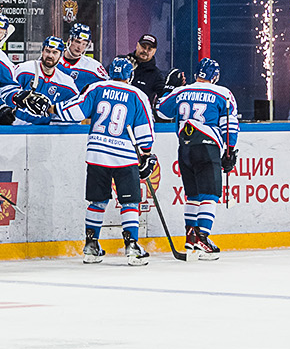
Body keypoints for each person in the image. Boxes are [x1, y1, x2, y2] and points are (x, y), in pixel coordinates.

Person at [55, 57, 155, 265]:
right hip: (124, 157)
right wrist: (146, 154)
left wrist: (51, 108)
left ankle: (91, 246)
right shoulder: (137, 94)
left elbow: (73, 112)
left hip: (96, 153)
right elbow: (145, 135)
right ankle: (132, 246)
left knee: (97, 201)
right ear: (130, 76)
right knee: (129, 202)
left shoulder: (96, 88)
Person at [156, 58, 240, 258]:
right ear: (215, 76)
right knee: (210, 195)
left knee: (192, 195)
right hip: (208, 146)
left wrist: (169, 89)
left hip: (184, 148)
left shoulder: (181, 91)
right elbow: (230, 125)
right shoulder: (223, 93)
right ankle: (203, 238)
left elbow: (161, 110)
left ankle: (191, 238)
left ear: (197, 74)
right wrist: (229, 150)